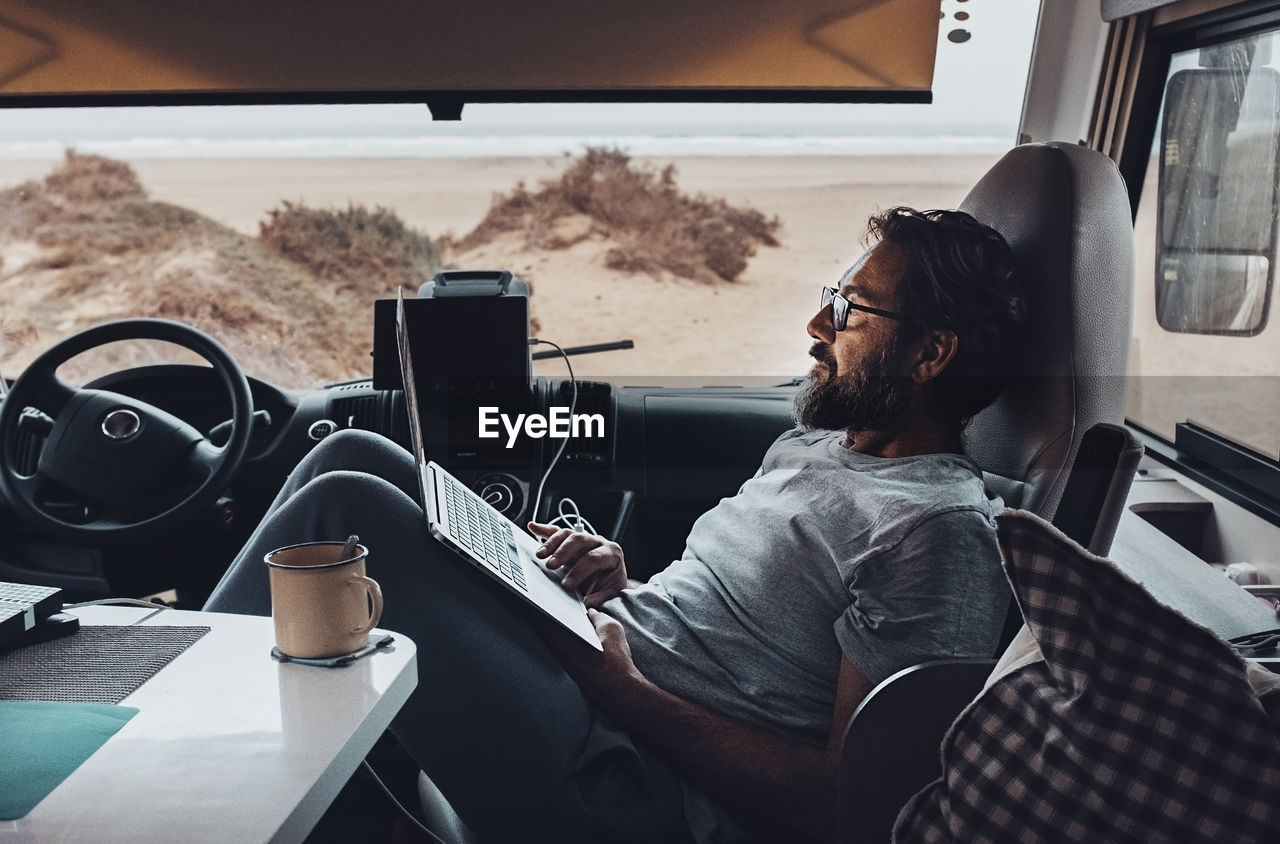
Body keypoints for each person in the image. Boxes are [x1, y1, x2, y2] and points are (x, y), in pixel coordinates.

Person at [205, 206, 1025, 843]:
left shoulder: (938, 534)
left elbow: (857, 806)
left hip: (632, 776)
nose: (818, 328)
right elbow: (735, 625)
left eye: (849, 312)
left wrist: (623, 690)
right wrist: (617, 579)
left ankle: (157, 727)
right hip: (594, 669)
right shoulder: (815, 448)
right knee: (354, 449)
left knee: (349, 504)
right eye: (829, 299)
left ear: (930, 355)